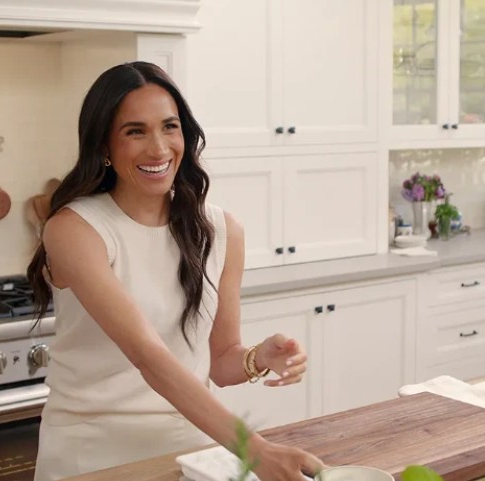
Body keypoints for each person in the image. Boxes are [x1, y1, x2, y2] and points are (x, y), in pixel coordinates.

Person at [26, 61, 324, 481]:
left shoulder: (221, 230)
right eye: (135, 131)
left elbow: (219, 362)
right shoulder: (75, 230)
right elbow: (149, 357)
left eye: (169, 127)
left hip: (192, 453)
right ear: (105, 147)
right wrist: (254, 450)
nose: (159, 148)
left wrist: (258, 358)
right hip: (93, 456)